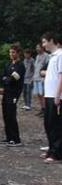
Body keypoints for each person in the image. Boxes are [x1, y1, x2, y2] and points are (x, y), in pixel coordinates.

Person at [40, 32, 62, 163]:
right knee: (48, 123)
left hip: (56, 95)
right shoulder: (52, 57)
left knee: (56, 125)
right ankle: (51, 149)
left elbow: (61, 76)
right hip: (48, 94)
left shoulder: (60, 55)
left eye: (44, 42)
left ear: (51, 40)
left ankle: (56, 152)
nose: (43, 45)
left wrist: (57, 95)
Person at [1, 44, 25, 147]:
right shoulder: (8, 64)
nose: (11, 54)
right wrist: (6, 79)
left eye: (13, 52)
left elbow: (13, 80)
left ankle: (16, 139)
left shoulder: (20, 66)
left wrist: (7, 79)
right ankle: (9, 137)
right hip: (6, 93)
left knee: (11, 115)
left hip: (14, 93)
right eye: (10, 52)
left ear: (18, 53)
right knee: (6, 114)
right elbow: (1, 77)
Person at [34, 43, 50, 117]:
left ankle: (46, 110)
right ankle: (42, 108)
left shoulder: (46, 56)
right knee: (38, 94)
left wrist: (44, 78)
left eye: (38, 47)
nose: (37, 49)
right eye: (36, 47)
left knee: (42, 94)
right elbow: (36, 67)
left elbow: (47, 67)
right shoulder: (37, 56)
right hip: (36, 78)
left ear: (42, 48)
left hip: (42, 79)